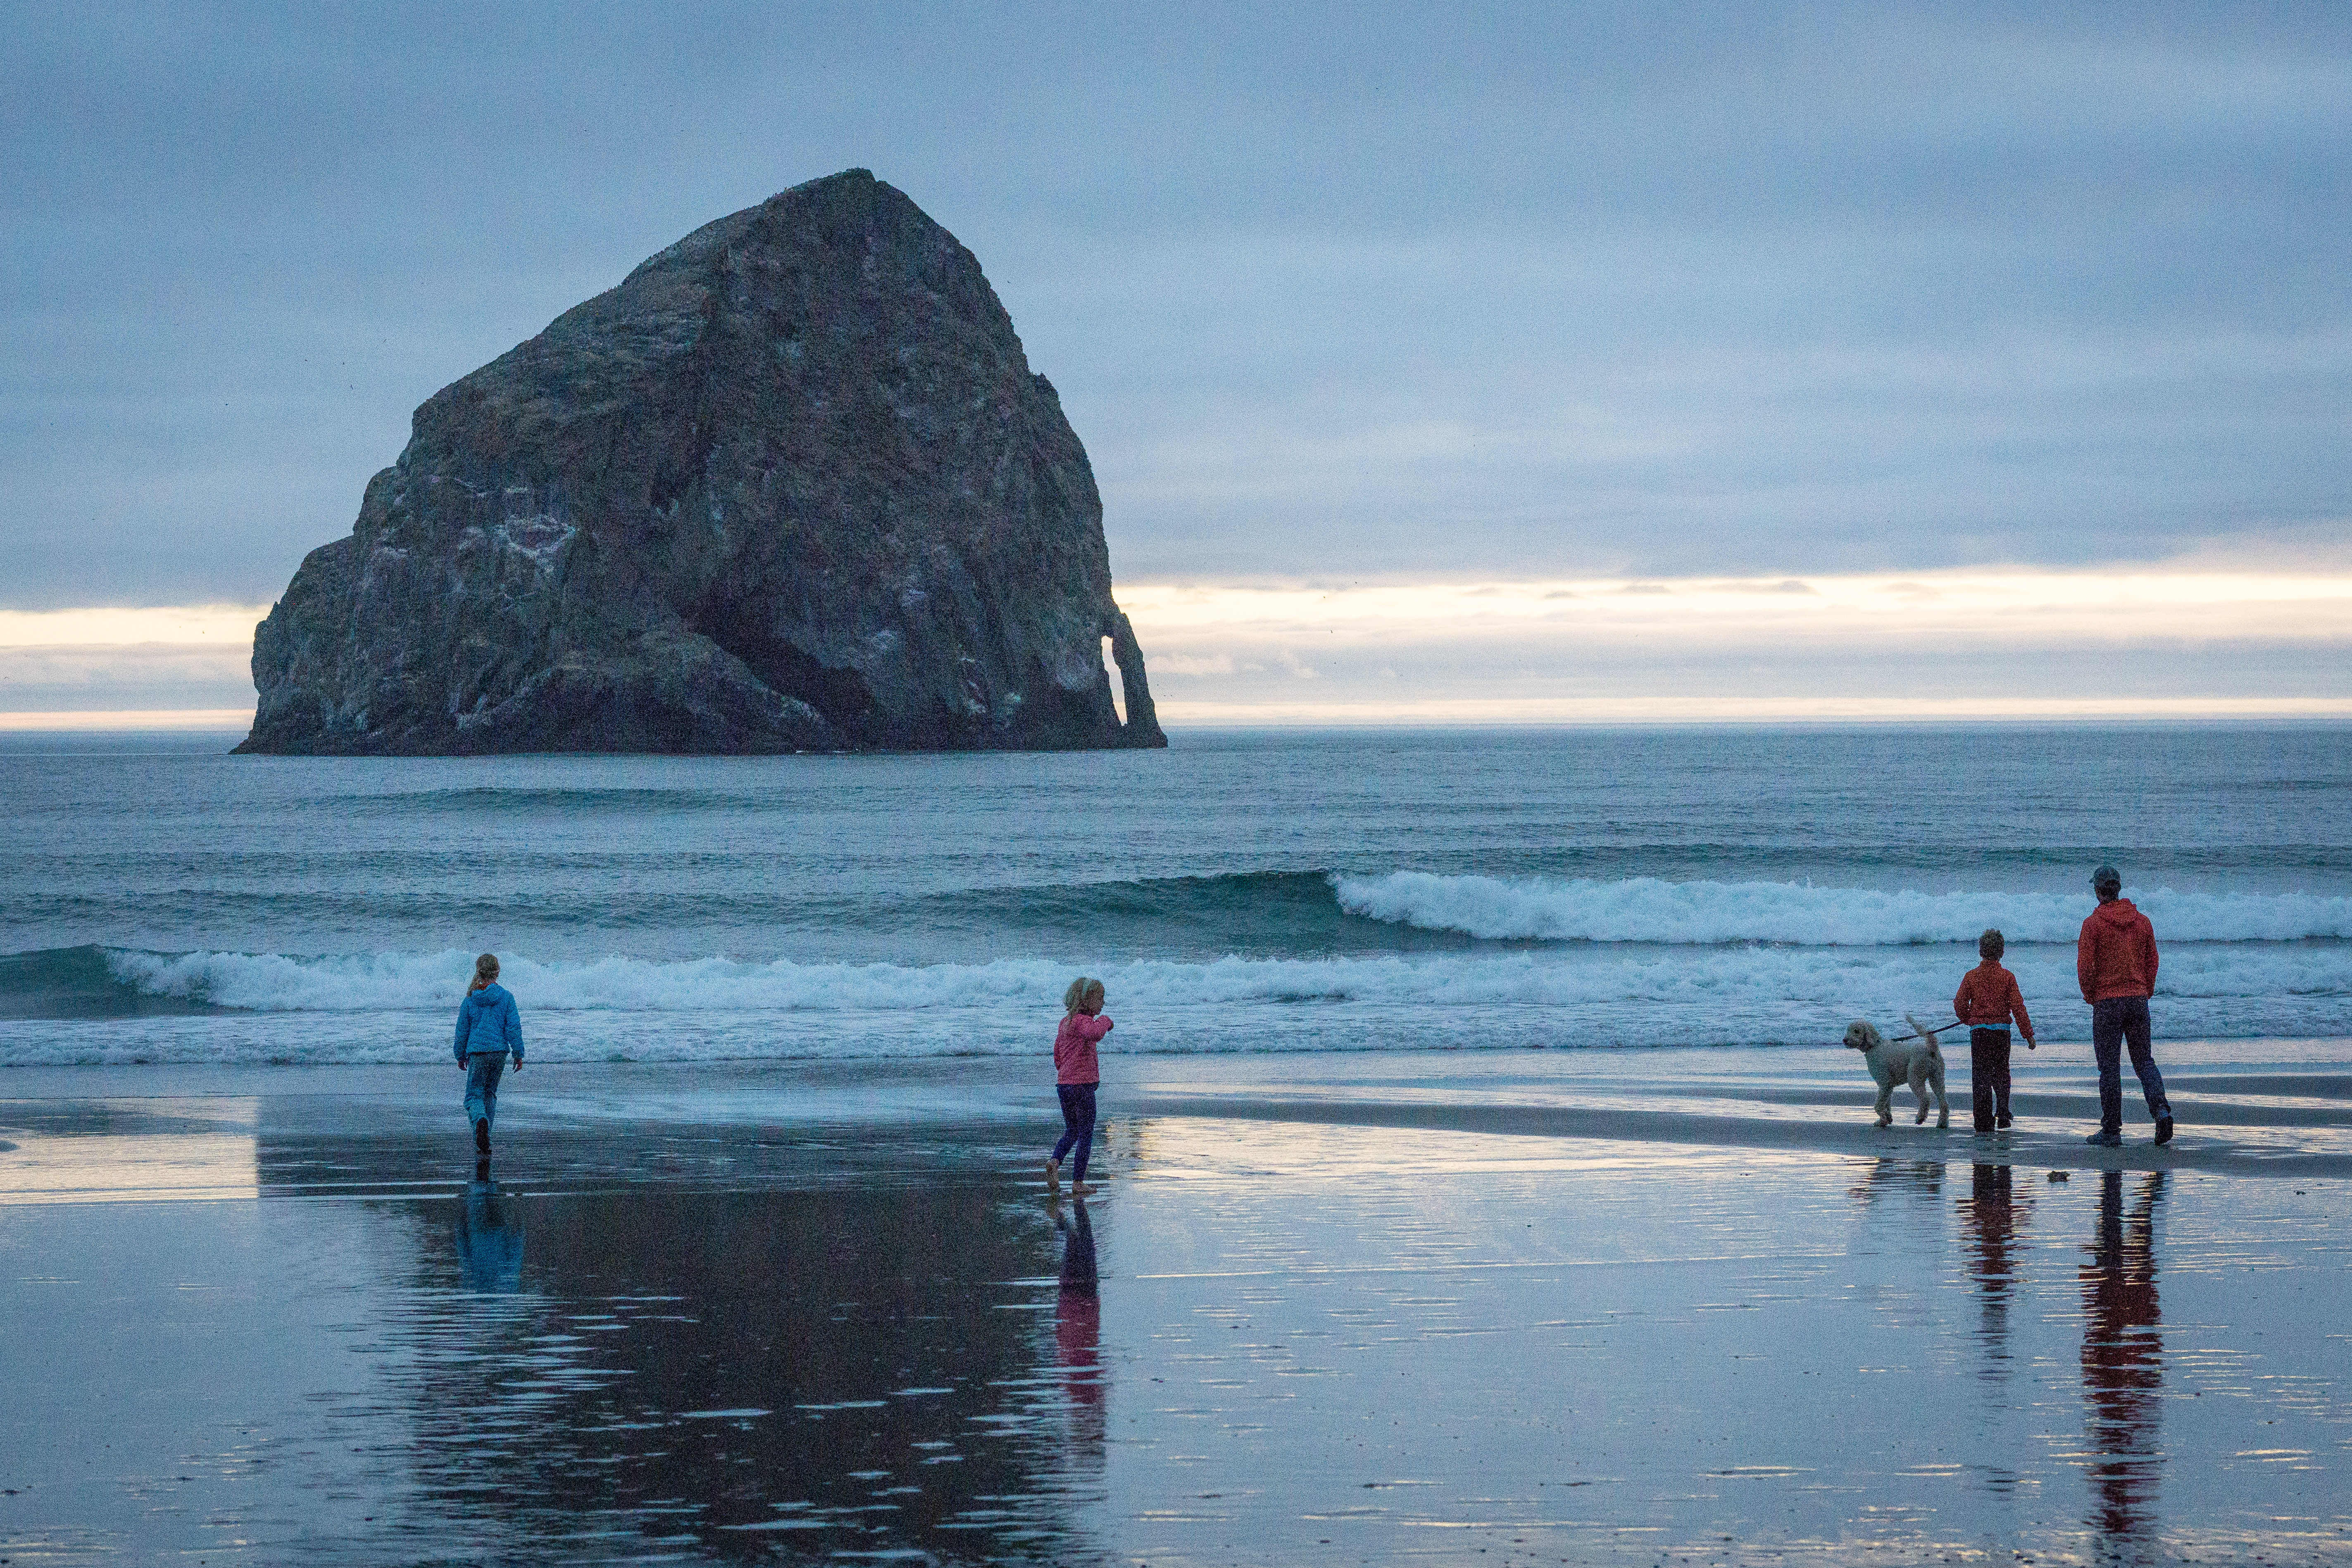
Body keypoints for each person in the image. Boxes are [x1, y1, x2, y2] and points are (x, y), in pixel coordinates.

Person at [2078, 866, 2171, 1148]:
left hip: (2107, 1002)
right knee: (2144, 1061)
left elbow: (2085, 968)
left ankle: (2111, 1129)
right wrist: (2146, 990)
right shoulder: (2142, 921)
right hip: (2137, 999)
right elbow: (2152, 961)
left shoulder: (2092, 924)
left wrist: (2091, 995)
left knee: (2109, 1068)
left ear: (2097, 891)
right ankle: (2161, 1111)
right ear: (2119, 889)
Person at [1954, 927, 2035, 1134]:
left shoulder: (1972, 976)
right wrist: (2028, 1034)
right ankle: (2003, 1111)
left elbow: (1960, 1003)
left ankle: (1983, 1120)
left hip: (1980, 1032)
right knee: (2001, 1072)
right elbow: (2018, 1007)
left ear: (1981, 951)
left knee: (1981, 1075)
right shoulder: (2007, 977)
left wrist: (1968, 1019)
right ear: (2002, 952)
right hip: (2001, 1032)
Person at [453, 952, 524, 1175]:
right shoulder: (507, 998)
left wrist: (459, 1055)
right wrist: (518, 1053)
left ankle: (480, 1125)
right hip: (499, 1053)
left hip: (477, 1052)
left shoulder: (470, 999)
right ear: (498, 972)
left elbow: (462, 1031)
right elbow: (513, 1027)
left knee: (474, 1096)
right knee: (490, 1094)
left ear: (479, 972)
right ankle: (486, 1139)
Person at [1047, 977, 1112, 1194]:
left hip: (1064, 1085)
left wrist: (1065, 1073)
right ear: (1087, 1001)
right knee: (1086, 1133)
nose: (1103, 1003)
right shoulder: (1083, 1021)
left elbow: (1057, 1055)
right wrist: (1105, 1021)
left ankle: (1055, 1162)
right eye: (1100, 998)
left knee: (1072, 1130)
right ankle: (1078, 1182)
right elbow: (1094, 1033)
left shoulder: (1064, 1023)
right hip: (1081, 1086)